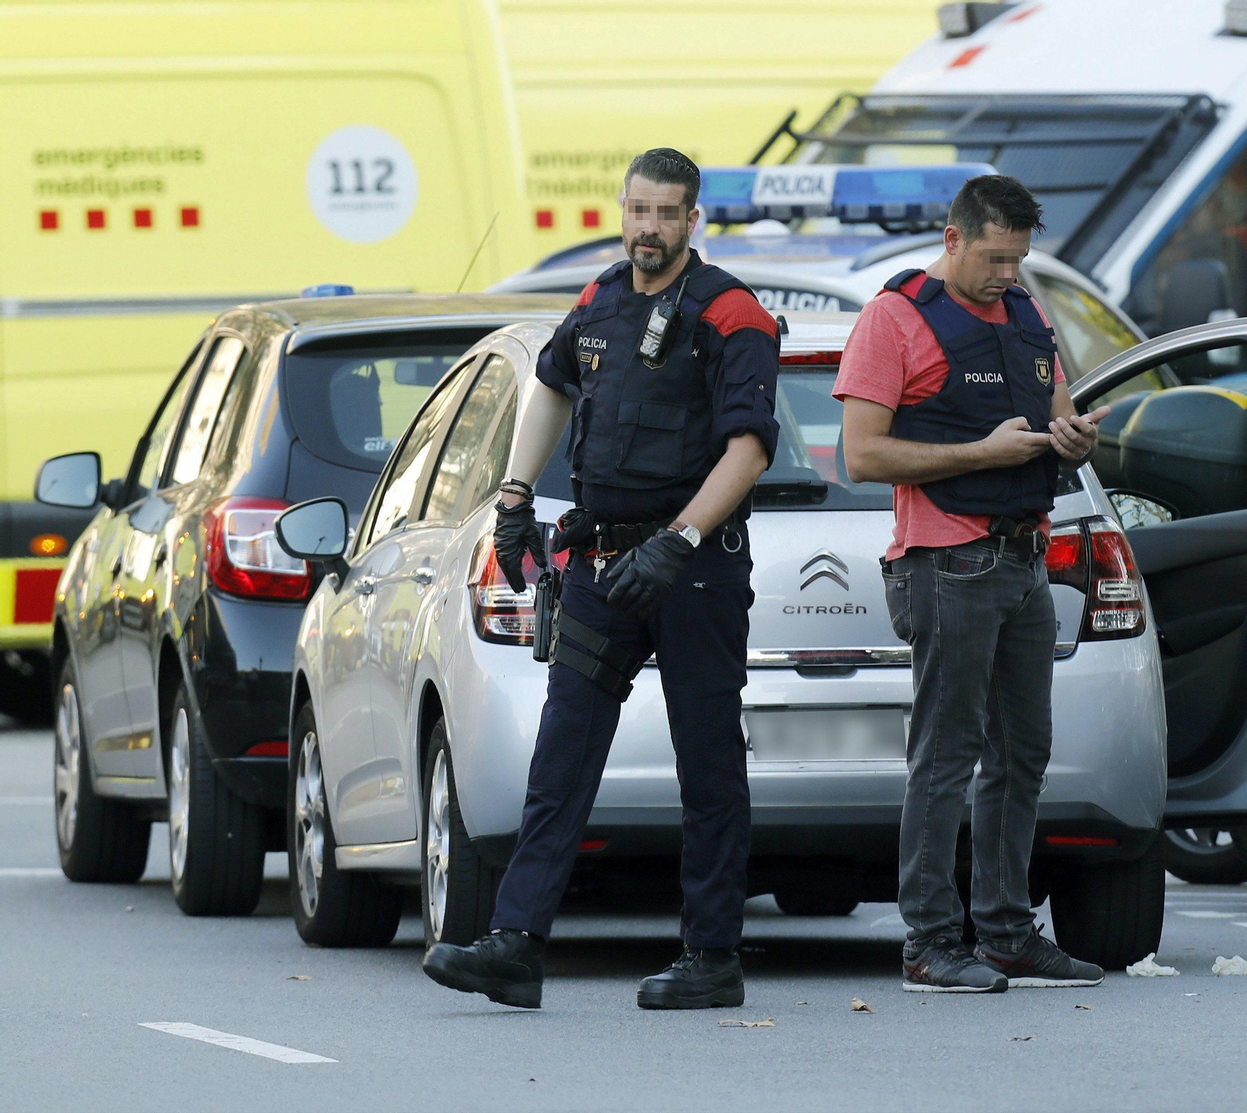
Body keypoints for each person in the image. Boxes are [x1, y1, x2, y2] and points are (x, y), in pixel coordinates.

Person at [421, 148, 780, 1010]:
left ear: (694, 220)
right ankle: (515, 944)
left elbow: (750, 447)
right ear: (622, 211)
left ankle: (710, 955)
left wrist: (683, 537)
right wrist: (513, 498)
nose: (647, 229)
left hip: (692, 571)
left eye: (665, 214)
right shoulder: (600, 298)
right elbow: (549, 385)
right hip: (600, 564)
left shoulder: (732, 313)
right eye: (637, 211)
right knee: (563, 749)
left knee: (706, 755)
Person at [834, 174, 1110, 993]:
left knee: (1025, 753)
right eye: (993, 258)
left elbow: (1060, 409)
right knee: (945, 757)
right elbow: (863, 455)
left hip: (1025, 557)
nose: (1005, 275)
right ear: (952, 239)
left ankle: (1005, 930)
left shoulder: (1025, 311)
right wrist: (981, 454)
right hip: (946, 562)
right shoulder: (895, 318)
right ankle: (927, 939)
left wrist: (1076, 437)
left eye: (1018, 260)